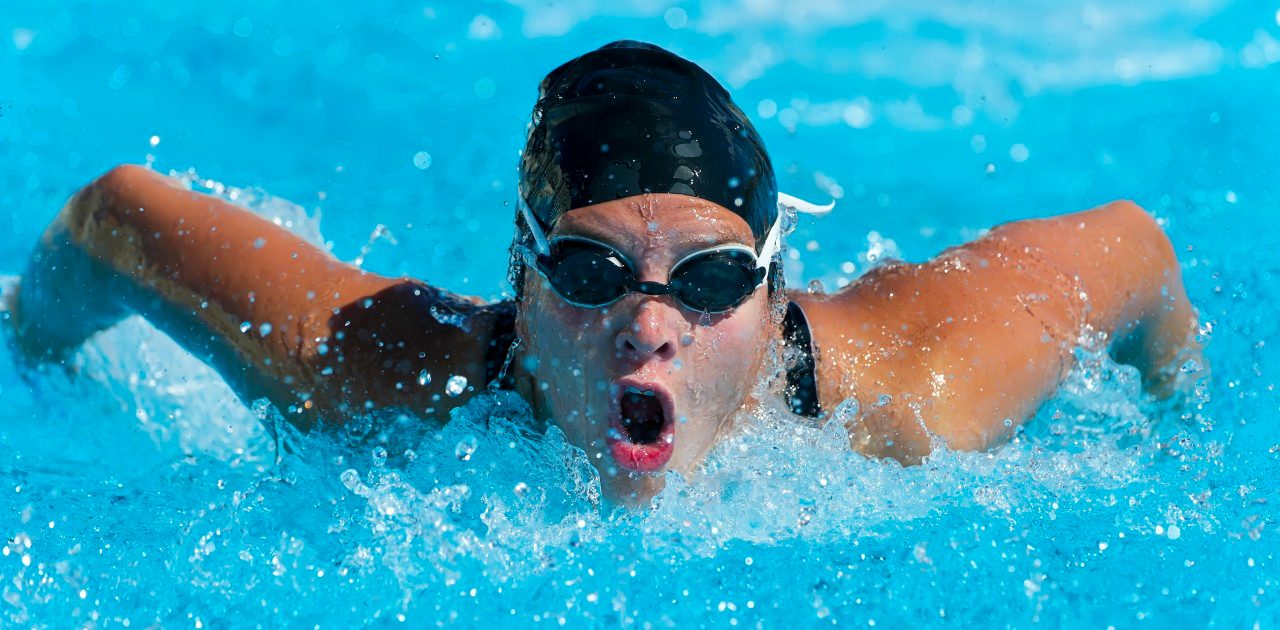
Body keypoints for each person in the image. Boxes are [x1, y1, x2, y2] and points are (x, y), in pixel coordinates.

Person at [9, 41, 1197, 503]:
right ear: (520, 289)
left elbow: (1137, 249)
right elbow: (115, 215)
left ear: (774, 292)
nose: (648, 326)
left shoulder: (917, 392)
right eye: (589, 271)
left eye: (711, 282)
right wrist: (28, 345)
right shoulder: (374, 374)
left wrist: (1171, 422)